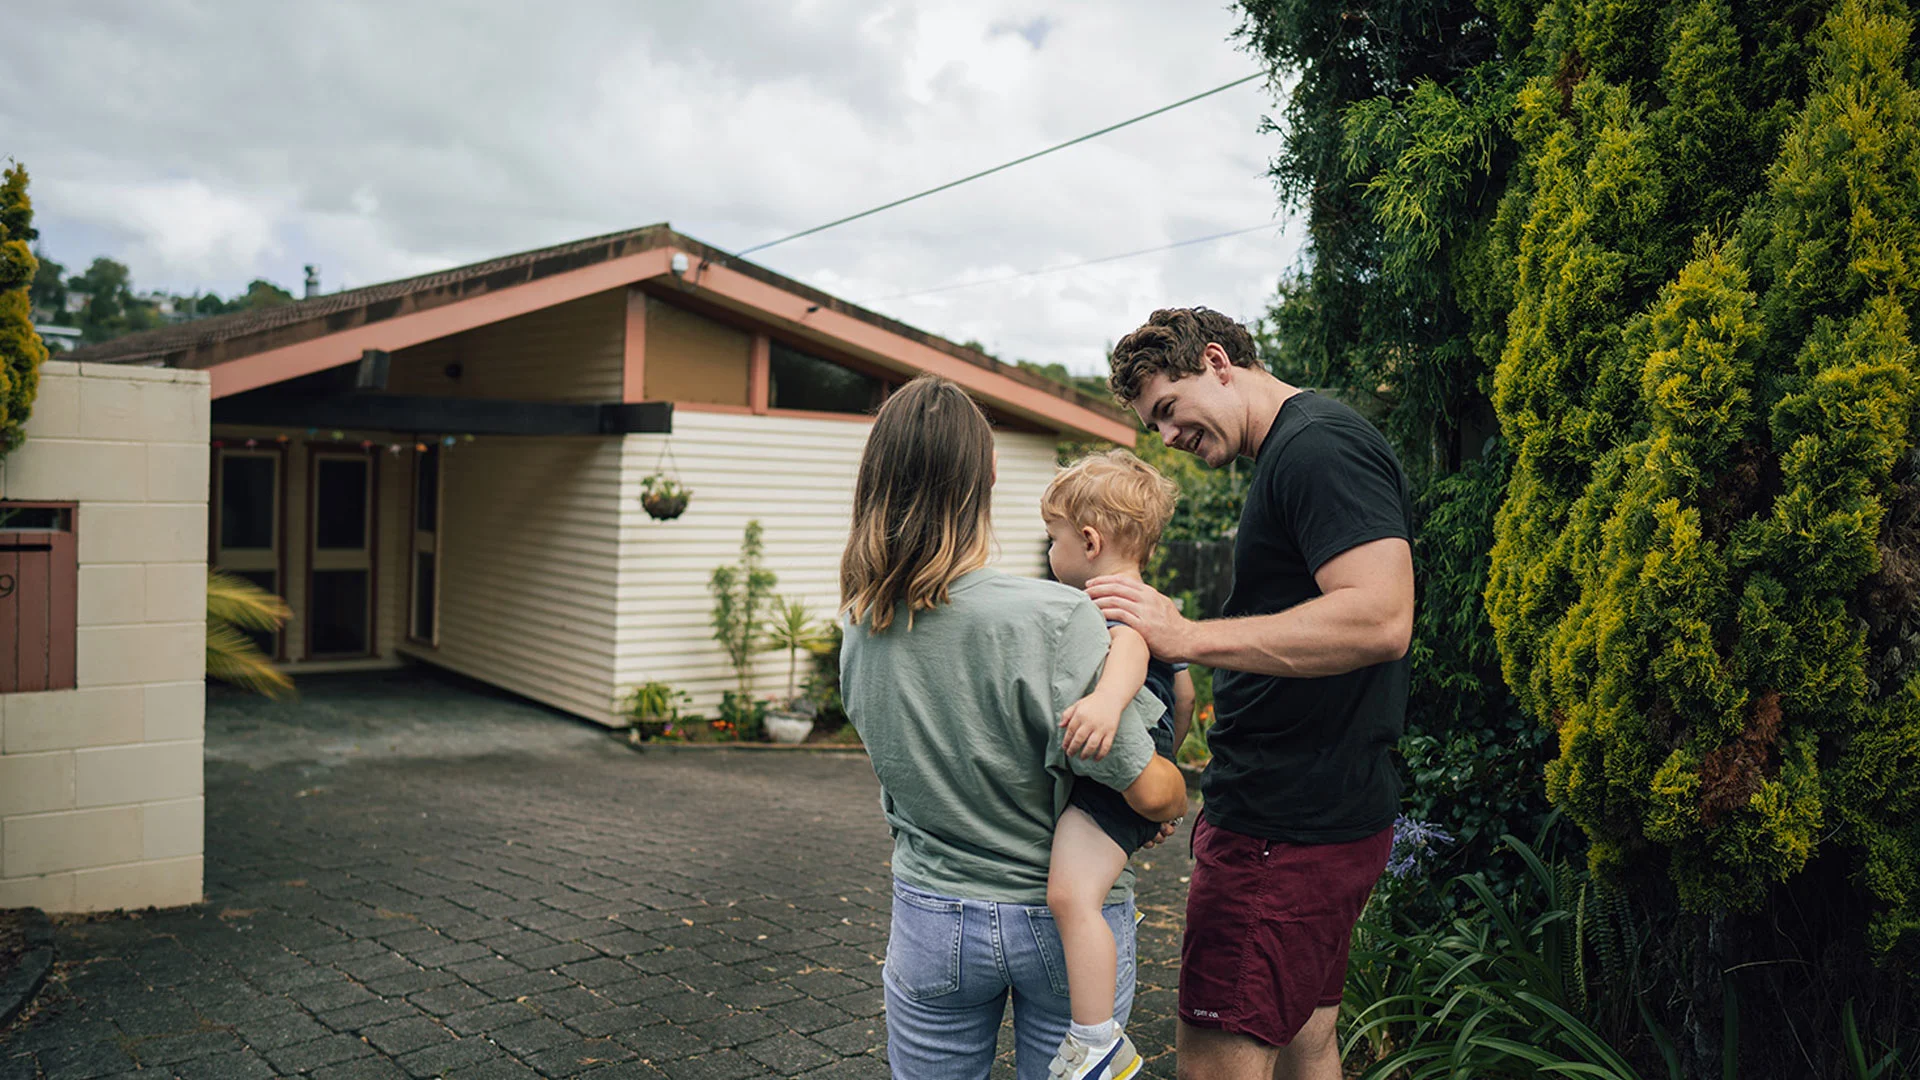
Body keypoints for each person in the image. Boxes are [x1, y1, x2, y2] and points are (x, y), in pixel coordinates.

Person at [1091, 308, 1415, 1080]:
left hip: (1282, 830)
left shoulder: (1316, 448)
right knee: (1307, 1043)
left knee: (1215, 1062)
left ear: (1217, 361)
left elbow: (1381, 616)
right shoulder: (1297, 449)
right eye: (1153, 424)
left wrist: (1189, 636)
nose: (1166, 437)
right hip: (1319, 818)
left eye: (1168, 409)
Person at [838, 375, 1190, 1080]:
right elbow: (1147, 789)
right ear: (987, 476)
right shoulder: (1056, 619)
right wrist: (1173, 795)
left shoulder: (859, 626)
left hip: (932, 918)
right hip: (1058, 930)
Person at [1041, 449, 1197, 1078]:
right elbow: (1182, 694)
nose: (1049, 553)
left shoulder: (1111, 601)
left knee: (1070, 896)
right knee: (1084, 891)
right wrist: (1162, 763)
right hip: (1138, 764)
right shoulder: (1158, 601)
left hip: (1114, 763)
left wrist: (1107, 703)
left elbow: (1129, 647)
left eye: (1051, 538)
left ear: (1088, 539)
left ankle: (1096, 1040)